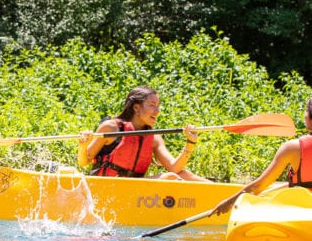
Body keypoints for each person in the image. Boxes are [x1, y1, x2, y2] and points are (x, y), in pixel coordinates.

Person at [78, 85, 208, 181]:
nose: (157, 111)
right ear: (136, 108)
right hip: (107, 185)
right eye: (152, 105)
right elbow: (84, 161)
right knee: (170, 177)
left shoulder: (154, 138)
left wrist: (190, 143)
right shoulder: (111, 128)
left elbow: (175, 167)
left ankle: (227, 197)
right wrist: (83, 146)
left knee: (184, 175)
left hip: (136, 188)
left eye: (158, 106)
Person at [213, 96, 312, 216]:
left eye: (306, 110)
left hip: (301, 211)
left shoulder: (292, 148)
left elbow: (258, 186)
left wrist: (229, 202)